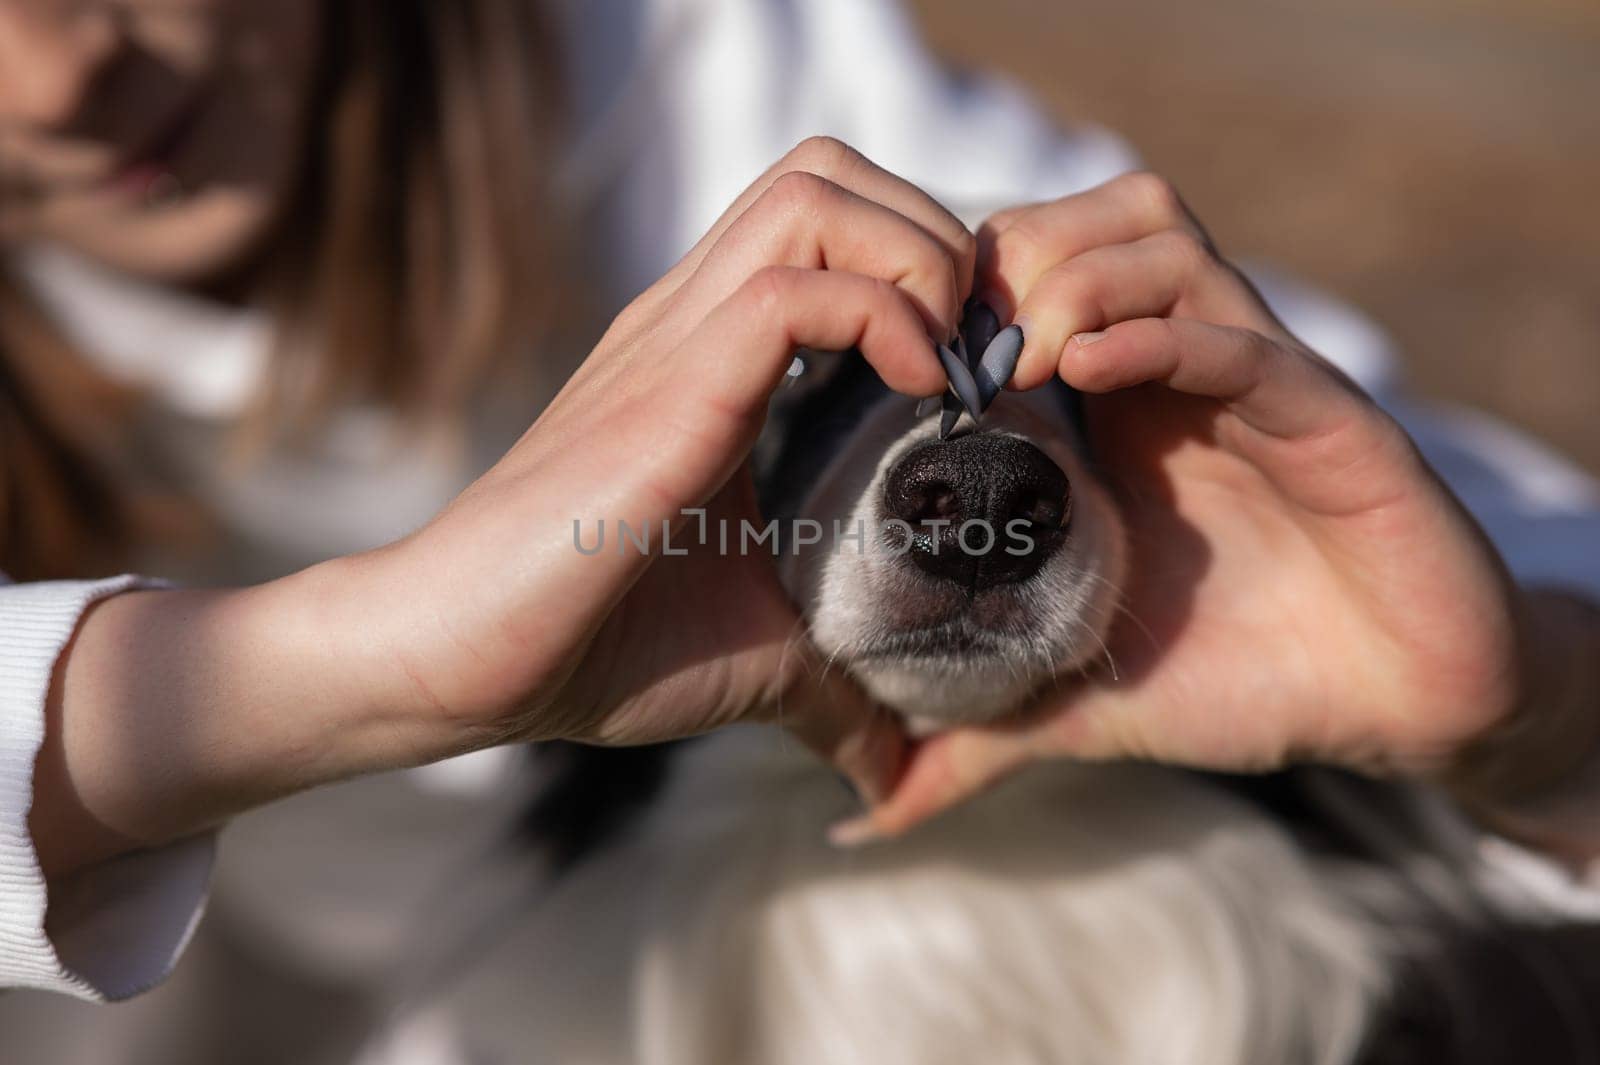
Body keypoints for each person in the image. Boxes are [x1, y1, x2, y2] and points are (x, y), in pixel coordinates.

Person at [0, 0, 1597, 1029]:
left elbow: (1489, 541)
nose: (62, 72)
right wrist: (353, 671)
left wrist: (1544, 718)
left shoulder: (757, 91)